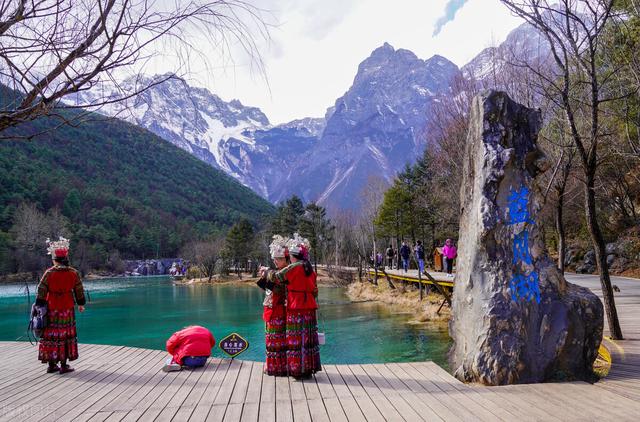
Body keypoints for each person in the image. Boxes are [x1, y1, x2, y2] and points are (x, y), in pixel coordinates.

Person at [36, 237, 86, 374]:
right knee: (65, 335)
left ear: (55, 259)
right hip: (67, 308)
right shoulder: (73, 273)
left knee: (52, 335)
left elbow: (41, 290)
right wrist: (81, 304)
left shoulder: (49, 273)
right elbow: (79, 290)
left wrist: (39, 305)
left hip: (51, 308)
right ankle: (64, 365)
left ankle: (52, 365)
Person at [281, 233, 321, 379]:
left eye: (290, 256)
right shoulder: (310, 270)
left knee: (296, 339)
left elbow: (277, 277)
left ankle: (297, 370)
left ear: (293, 256)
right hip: (309, 307)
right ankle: (308, 369)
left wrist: (266, 272)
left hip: (296, 306)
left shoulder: (293, 268)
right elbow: (315, 291)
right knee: (308, 338)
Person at [256, 235, 289, 376]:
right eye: (275, 258)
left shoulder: (285, 273)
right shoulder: (275, 273)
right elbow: (270, 288)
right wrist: (265, 276)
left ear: (287, 259)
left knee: (277, 340)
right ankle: (272, 365)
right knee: (271, 339)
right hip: (270, 309)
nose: (276, 261)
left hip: (279, 310)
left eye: (280, 259)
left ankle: (277, 367)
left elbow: (279, 288)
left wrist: (267, 274)